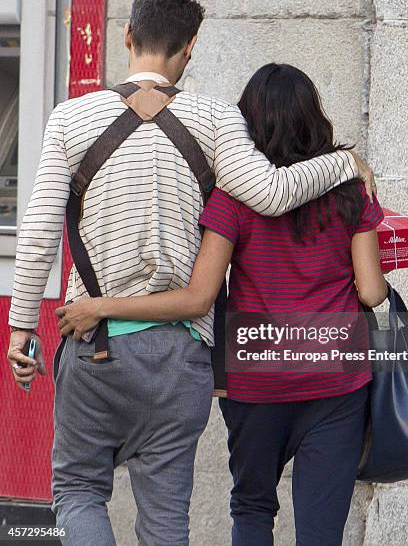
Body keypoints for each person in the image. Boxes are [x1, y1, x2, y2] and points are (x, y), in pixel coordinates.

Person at [57, 63, 387, 545]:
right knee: (322, 528)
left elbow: (199, 297)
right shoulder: (351, 192)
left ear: (249, 125)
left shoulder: (233, 199)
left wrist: (103, 306)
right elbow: (372, 292)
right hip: (335, 376)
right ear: (315, 118)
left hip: (258, 380)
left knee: (253, 507)